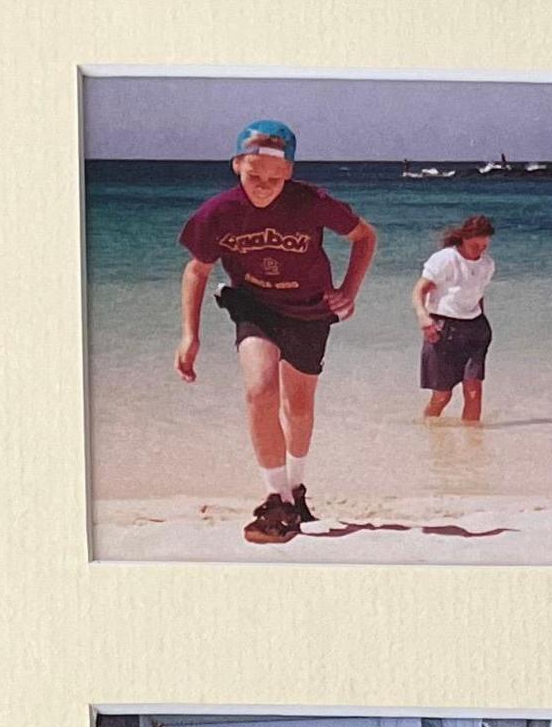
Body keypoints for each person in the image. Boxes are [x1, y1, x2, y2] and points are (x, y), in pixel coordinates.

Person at [174, 117, 375, 546]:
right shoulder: (217, 214)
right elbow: (197, 270)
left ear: (290, 173)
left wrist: (348, 290)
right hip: (254, 305)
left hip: (309, 309)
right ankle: (275, 497)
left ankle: (295, 490)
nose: (263, 185)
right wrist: (190, 335)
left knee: (298, 408)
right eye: (253, 175)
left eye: (275, 178)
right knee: (259, 389)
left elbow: (365, 236)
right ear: (236, 166)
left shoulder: (312, 202)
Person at [416, 213, 495, 422]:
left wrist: (482, 322)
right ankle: (429, 433)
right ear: (464, 239)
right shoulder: (446, 259)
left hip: (475, 330)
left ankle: (473, 448)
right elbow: (418, 291)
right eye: (476, 246)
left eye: (484, 246)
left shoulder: (487, 264)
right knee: (442, 396)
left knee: (474, 392)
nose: (480, 251)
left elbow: (478, 295)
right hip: (444, 329)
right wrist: (424, 319)